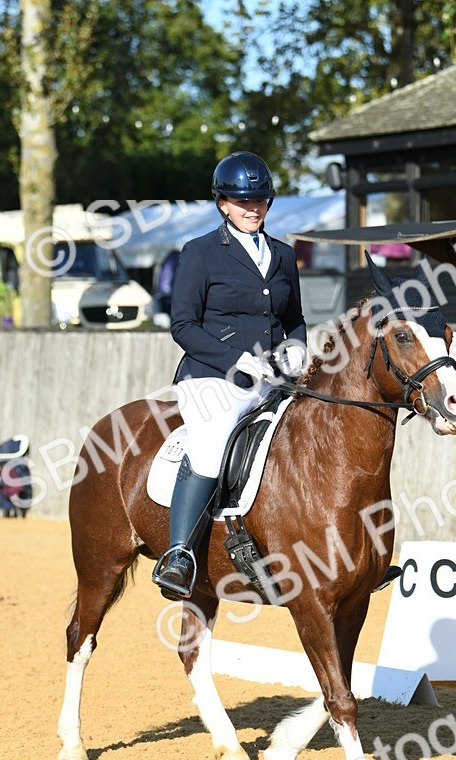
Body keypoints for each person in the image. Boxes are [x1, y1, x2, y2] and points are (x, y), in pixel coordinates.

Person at [152, 151, 307, 600]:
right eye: (242, 200)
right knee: (215, 438)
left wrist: (296, 346)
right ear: (222, 203)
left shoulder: (282, 254)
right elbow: (182, 325)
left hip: (273, 377)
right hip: (212, 377)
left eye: (259, 199)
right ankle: (179, 554)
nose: (252, 207)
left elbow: (294, 317)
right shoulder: (200, 252)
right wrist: (234, 359)